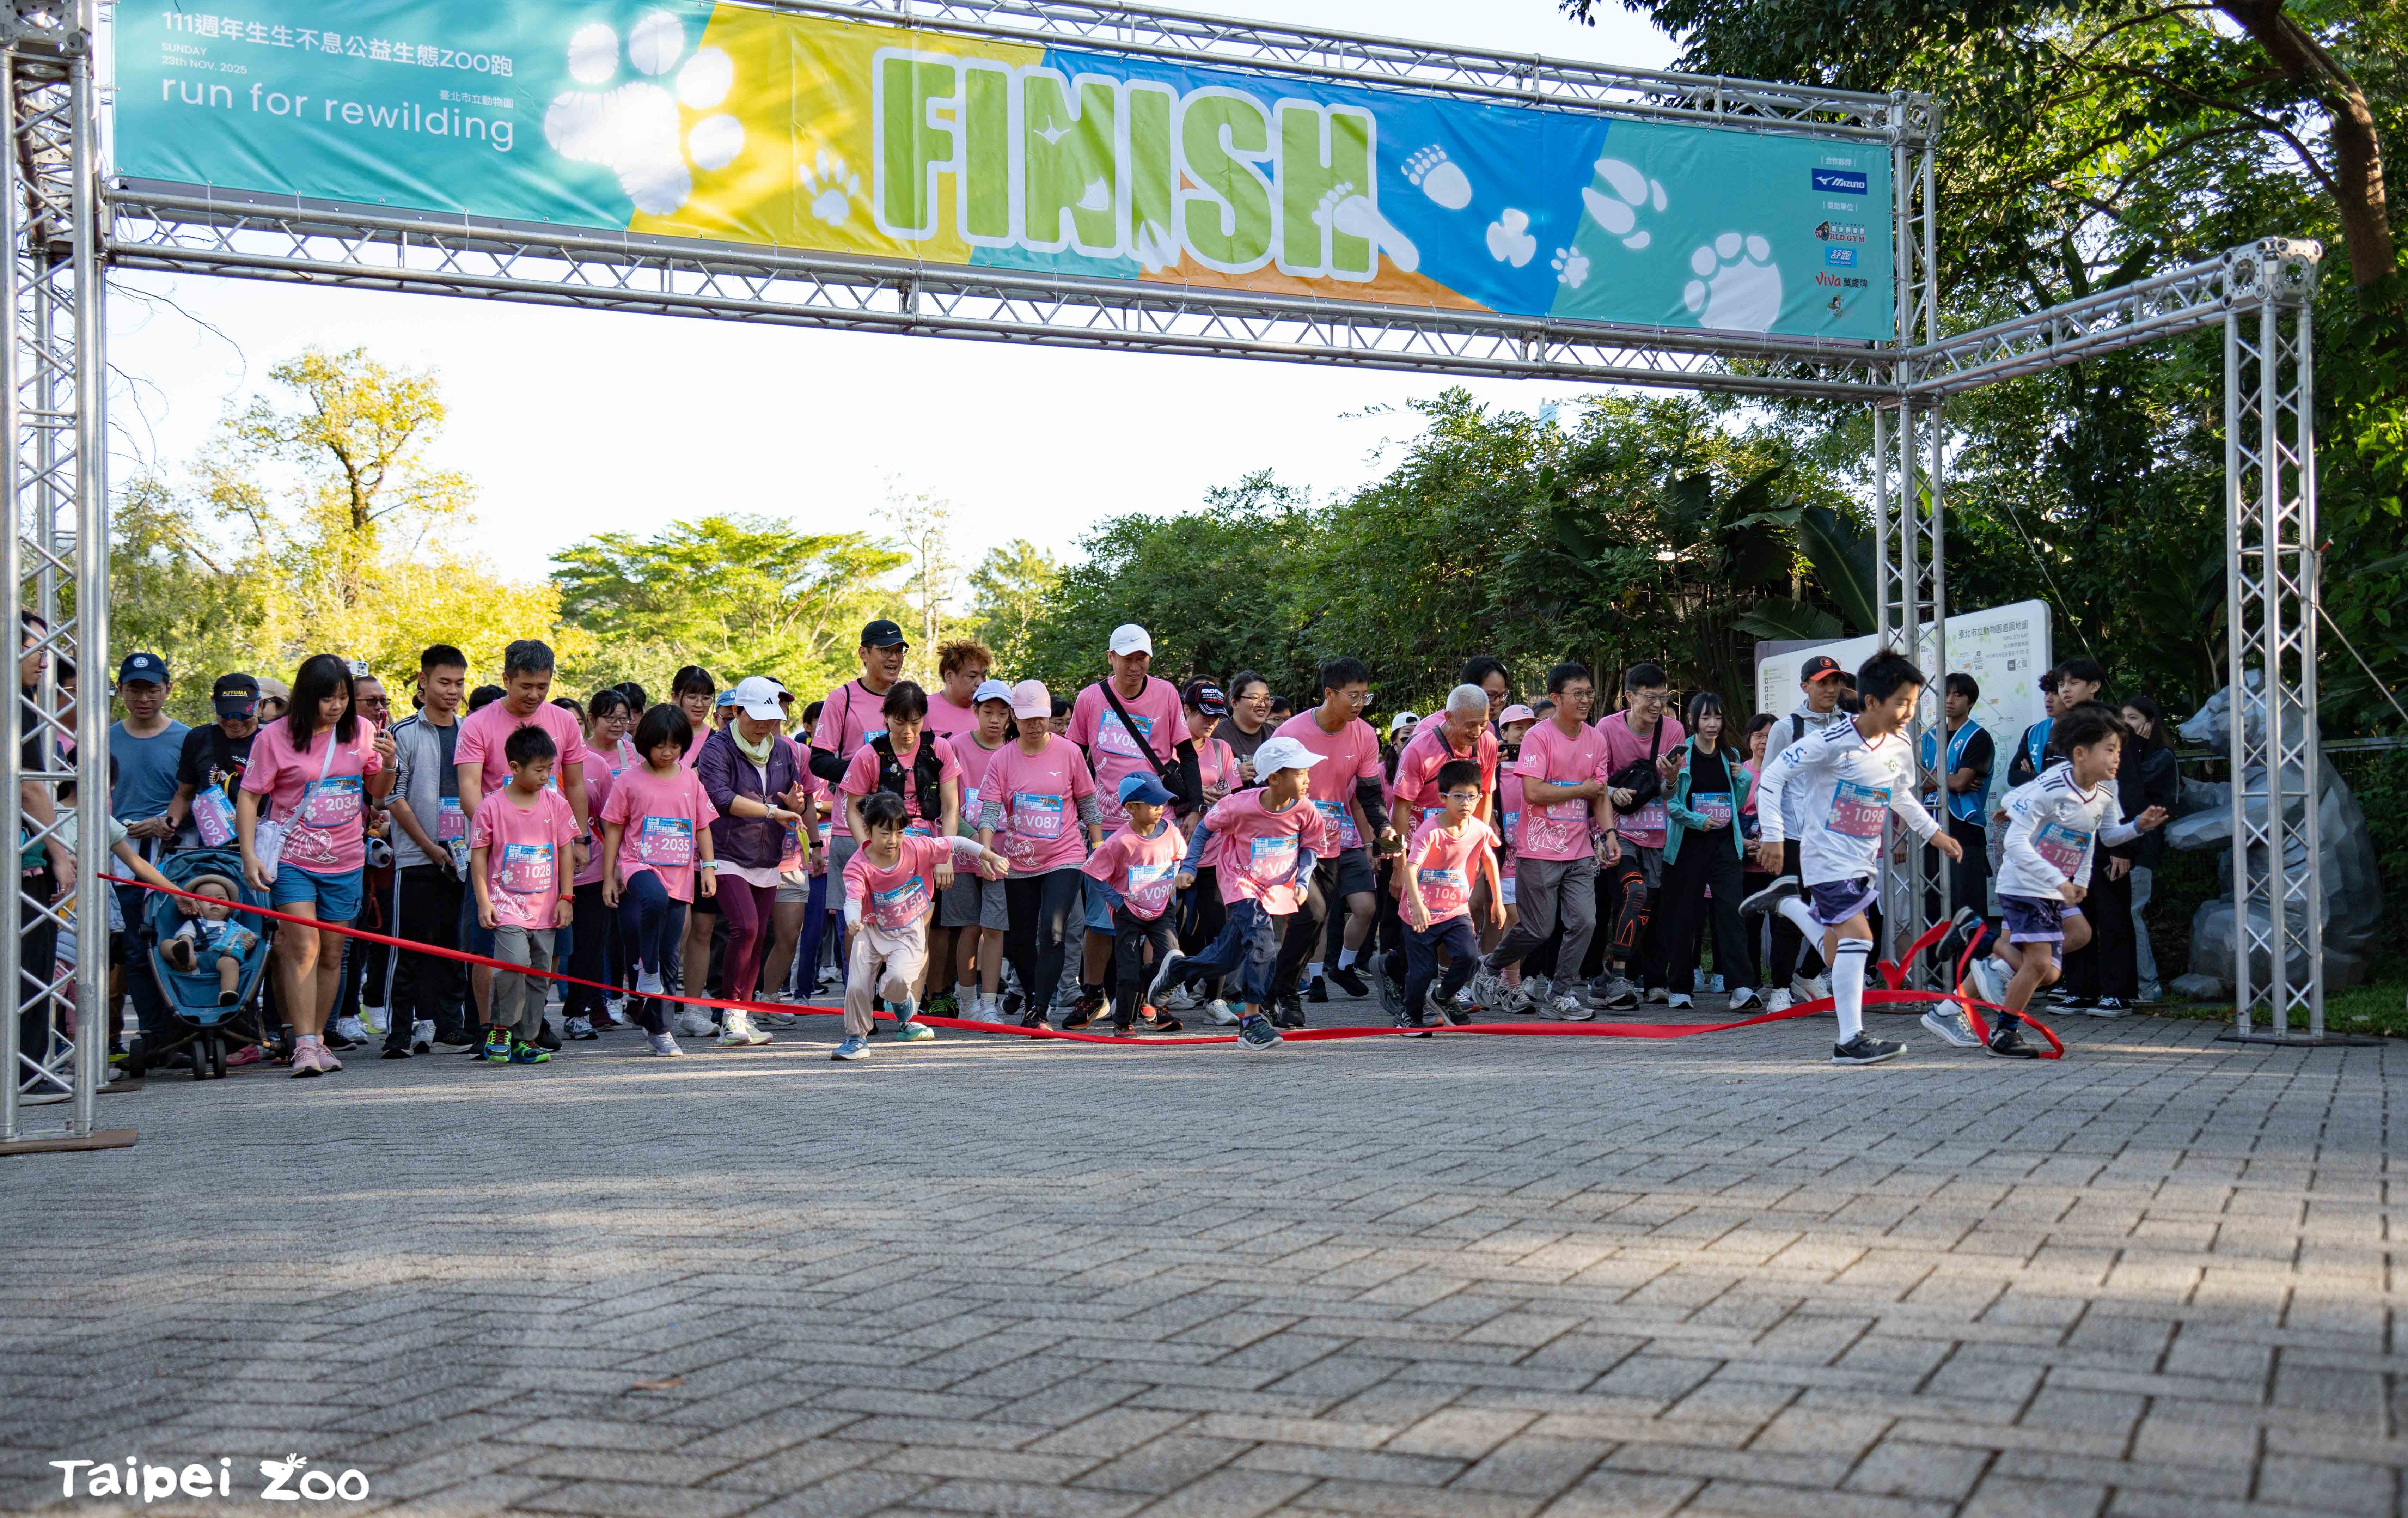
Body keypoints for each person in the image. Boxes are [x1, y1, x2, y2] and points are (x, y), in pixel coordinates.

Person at [1747, 650, 1961, 1066]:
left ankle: (1787, 904)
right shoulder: (1828, 741)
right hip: (1825, 858)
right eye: (1900, 702)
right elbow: (1771, 778)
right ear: (1869, 702)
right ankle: (1849, 1040)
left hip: (1863, 862)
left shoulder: (1899, 747)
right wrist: (1773, 836)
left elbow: (1900, 796)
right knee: (1859, 940)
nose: (1908, 712)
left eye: (1914, 704)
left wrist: (1933, 834)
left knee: (1835, 955)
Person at [237, 653, 395, 1077]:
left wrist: (391, 762)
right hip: (293, 859)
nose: (337, 706)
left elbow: (377, 791)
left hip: (346, 860)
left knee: (333, 953)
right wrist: (249, 855)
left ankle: (319, 1038)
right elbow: (250, 796)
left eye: (343, 697)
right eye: (327, 698)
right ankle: (303, 1044)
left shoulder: (362, 731)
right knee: (302, 947)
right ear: (306, 698)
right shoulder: (274, 737)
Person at [1980, 707, 2168, 1053]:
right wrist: (2060, 880)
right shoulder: (2050, 788)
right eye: (2109, 750)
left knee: (2061, 959)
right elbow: (2014, 843)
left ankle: (1978, 947)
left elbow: (2104, 835)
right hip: (2025, 882)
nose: (2117, 758)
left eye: (2119, 749)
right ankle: (2003, 1032)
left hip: (2055, 887)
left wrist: (2138, 826)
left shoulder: (2106, 788)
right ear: (2080, 754)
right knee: (2037, 964)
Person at [1149, 734, 1331, 1052]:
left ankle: (1177, 970)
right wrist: (1190, 867)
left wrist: (1303, 882)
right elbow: (1206, 826)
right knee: (1263, 944)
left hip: (1279, 888)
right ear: (1275, 778)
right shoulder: (1240, 805)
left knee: (1225, 959)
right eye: (1301, 774)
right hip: (1242, 883)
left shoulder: (1306, 810)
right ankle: (1251, 1022)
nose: (1308, 780)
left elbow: (1311, 850)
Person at [454, 641, 593, 1039]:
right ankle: (489, 1026)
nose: (535, 695)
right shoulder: (479, 724)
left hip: (548, 856)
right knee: (490, 946)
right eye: (526, 686)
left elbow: (577, 785)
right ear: (506, 680)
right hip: (498, 854)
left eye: (543, 687)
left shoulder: (564, 722)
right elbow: (469, 789)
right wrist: (494, 838)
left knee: (545, 945)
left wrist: (579, 838)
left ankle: (530, 1025)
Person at [1065, 624, 1192, 1024]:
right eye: (1126, 657)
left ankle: (1155, 1000)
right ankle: (1092, 995)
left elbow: (1186, 754)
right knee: (1102, 921)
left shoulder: (1166, 693)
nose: (1135, 665)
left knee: (1155, 916)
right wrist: (1079, 817)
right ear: (1111, 658)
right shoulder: (1090, 699)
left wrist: (1191, 808)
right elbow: (1073, 758)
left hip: (1156, 825)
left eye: (1142, 657)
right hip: (1107, 827)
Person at [1476, 666, 1613, 1020]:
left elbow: (1599, 795)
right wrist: (1579, 790)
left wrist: (1608, 834)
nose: (1585, 700)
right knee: (1538, 928)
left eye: (1588, 693)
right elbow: (1533, 791)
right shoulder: (1539, 737)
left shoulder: (1596, 739)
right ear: (1555, 698)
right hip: (1538, 849)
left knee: (1584, 921)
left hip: (1580, 849)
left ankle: (1561, 992)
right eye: (1577, 693)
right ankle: (1491, 965)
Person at [833, 791, 1011, 1061]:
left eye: (899, 832)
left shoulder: (917, 847)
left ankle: (903, 1007)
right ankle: (856, 1038)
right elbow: (853, 897)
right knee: (857, 986)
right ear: (868, 830)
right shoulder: (859, 864)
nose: (892, 841)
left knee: (897, 981)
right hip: (869, 929)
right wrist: (853, 919)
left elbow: (958, 842)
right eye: (884, 833)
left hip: (907, 930)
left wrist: (989, 856)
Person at [1269, 656, 1394, 1019]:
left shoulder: (1365, 734)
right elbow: (1269, 788)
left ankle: (1283, 990)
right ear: (1329, 694)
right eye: (1352, 697)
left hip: (1340, 839)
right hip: (1293, 839)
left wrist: (1382, 830)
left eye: (1364, 698)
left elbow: (1369, 794)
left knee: (1345, 912)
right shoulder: (1291, 732)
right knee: (1312, 917)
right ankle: (1286, 993)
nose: (1359, 705)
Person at [695, 676, 813, 1046]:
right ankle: (730, 1014)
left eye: (771, 718)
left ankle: (742, 1018)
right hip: (725, 853)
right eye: (758, 718)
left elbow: (793, 800)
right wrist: (771, 812)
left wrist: (793, 807)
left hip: (767, 854)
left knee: (760, 936)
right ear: (738, 712)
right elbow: (719, 797)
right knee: (744, 927)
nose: (765, 725)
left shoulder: (782, 750)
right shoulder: (717, 748)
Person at [978, 681, 1103, 1028]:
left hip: (1065, 856)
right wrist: (986, 850)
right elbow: (990, 812)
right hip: (1018, 862)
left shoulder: (1068, 753)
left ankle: (1040, 1009)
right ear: (1014, 718)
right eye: (1027, 718)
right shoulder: (1002, 759)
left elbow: (1088, 806)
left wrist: (1097, 848)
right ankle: (1033, 998)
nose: (1035, 725)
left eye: (1041, 718)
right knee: (1020, 940)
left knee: (1053, 931)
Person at [601, 703, 720, 1057]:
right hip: (638, 866)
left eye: (674, 745)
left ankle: (659, 1029)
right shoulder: (628, 781)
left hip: (680, 875)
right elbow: (613, 829)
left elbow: (702, 826)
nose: (667, 753)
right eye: (659, 746)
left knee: (671, 955)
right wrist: (609, 875)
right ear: (645, 744)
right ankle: (646, 970)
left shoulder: (690, 779)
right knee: (653, 902)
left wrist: (709, 868)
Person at [468, 725, 579, 1066]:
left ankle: (527, 1037)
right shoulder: (491, 807)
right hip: (507, 908)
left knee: (540, 971)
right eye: (539, 769)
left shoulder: (557, 805)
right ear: (515, 767)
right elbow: (480, 855)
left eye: (550, 769)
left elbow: (565, 851)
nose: (547, 776)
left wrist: (566, 897)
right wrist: (484, 900)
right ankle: (500, 1028)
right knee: (514, 964)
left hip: (545, 909)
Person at [381, 645, 472, 1056]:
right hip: (417, 859)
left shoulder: (470, 731)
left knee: (457, 946)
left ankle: (452, 1025)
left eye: (459, 683)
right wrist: (429, 847)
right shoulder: (404, 733)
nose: (452, 691)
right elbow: (393, 798)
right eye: (444, 682)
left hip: (465, 859)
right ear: (423, 681)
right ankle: (398, 1032)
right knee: (409, 948)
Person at [1754, 654, 1850, 1012]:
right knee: (1793, 914)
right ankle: (1779, 988)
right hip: (1795, 835)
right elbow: (1770, 783)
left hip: (1838, 836)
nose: (1829, 689)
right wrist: (1771, 835)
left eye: (1834, 682)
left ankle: (1808, 976)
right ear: (1805, 686)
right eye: (1822, 682)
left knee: (1843, 913)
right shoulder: (1786, 727)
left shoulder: (1849, 725)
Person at [106, 651, 189, 1056]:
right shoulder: (103, 739)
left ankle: (184, 1030)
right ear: (120, 690)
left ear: (168, 690)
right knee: (135, 951)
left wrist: (165, 823)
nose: (143, 698)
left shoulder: (186, 738)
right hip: (119, 860)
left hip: (172, 857)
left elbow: (192, 795)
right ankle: (155, 1038)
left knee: (176, 942)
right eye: (134, 689)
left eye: (152, 689)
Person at [1589, 662, 1685, 1009]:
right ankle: (1617, 979)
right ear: (1629, 696)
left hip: (1657, 835)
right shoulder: (1606, 728)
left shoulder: (1673, 730)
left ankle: (1605, 978)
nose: (1657, 706)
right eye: (1650, 698)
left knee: (1645, 910)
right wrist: (1612, 791)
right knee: (1634, 893)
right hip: (1617, 832)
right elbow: (1594, 779)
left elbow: (1669, 793)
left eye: (1663, 698)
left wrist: (1671, 778)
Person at [1656, 693, 1756, 1011]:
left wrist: (1744, 780)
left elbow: (1738, 804)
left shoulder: (1731, 754)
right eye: (1705, 718)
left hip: (1727, 847)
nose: (1712, 724)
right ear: (1693, 720)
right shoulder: (1680, 755)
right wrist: (1700, 820)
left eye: (1717, 718)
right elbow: (1672, 806)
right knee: (1685, 917)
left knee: (1732, 916)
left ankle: (1740, 987)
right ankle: (1680, 987)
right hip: (1688, 847)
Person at [1392, 758, 1504, 1031]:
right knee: (1422, 971)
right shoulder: (1430, 831)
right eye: (1458, 796)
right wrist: (1417, 905)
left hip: (1455, 909)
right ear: (1443, 797)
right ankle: (1410, 1015)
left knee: (1468, 956)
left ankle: (1444, 996)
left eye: (1472, 796)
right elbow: (1411, 867)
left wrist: (1498, 901)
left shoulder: (1479, 829)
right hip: (1420, 911)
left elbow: (1489, 860)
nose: (1466, 803)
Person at [1081, 774, 1189, 1033]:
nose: (1160, 808)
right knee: (1127, 969)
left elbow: (1179, 856)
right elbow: (1093, 872)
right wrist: (1117, 903)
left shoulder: (1171, 831)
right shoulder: (1120, 841)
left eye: (1162, 802)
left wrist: (1172, 881)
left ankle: (1149, 999)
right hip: (1128, 911)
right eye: (1153, 804)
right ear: (1131, 808)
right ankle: (1123, 1021)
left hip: (1162, 909)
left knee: (1171, 961)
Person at [561, 687, 637, 1040]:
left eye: (624, 718)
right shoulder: (535, 766)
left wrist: (616, 867)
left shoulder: (595, 766)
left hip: (591, 871)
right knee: (548, 948)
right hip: (544, 873)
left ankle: (579, 1013)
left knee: (590, 946)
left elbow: (612, 822)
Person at [937, 678, 1015, 1021]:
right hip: (962, 850)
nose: (995, 719)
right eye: (988, 712)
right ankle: (967, 1000)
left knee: (994, 927)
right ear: (976, 712)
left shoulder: (1015, 750)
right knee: (967, 928)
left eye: (1002, 713)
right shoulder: (954, 747)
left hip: (1003, 855)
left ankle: (989, 1002)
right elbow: (947, 806)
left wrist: (993, 854)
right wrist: (977, 848)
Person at [920, 639, 991, 1008]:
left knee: (968, 922)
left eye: (983, 676)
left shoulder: (986, 712)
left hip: (973, 836)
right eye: (970, 676)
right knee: (936, 923)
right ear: (949, 676)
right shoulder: (926, 711)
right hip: (929, 831)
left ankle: (954, 992)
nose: (979, 683)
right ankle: (932, 993)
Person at [2115, 695, 2179, 1005]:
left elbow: (2135, 790)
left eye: (2133, 718)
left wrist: (2135, 750)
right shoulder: (2127, 754)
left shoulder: (2161, 756)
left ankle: (2148, 985)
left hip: (2144, 847)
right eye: (2123, 718)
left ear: (2150, 723)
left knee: (2134, 912)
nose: (2126, 723)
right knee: (2122, 914)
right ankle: (2128, 984)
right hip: (2123, 842)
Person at [1919, 672, 1994, 928]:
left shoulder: (1979, 737)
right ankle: (1937, 969)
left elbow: (1963, 783)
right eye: (1946, 694)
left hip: (1965, 832)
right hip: (1931, 829)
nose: (1950, 700)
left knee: (1968, 909)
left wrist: (1933, 778)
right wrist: (1948, 779)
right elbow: (1914, 782)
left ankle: (1975, 967)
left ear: (1971, 702)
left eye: (1958, 695)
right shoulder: (1928, 737)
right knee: (1933, 909)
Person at [165, 674, 261, 851]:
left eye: (242, 714)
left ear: (259, 706)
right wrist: (172, 821)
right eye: (226, 713)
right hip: (214, 845)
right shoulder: (198, 738)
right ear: (213, 704)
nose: (234, 721)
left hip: (262, 843)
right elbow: (184, 795)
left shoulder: (273, 739)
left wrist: (261, 823)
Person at [2008, 659, 2105, 790]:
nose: (2049, 699)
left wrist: (2037, 779)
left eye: (2054, 693)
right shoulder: (2035, 732)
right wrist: (2043, 780)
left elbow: (2068, 781)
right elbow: (2013, 776)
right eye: (2046, 694)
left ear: (2094, 686)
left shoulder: (2106, 727)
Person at [161, 878, 258, 1006]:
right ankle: (178, 953)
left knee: (231, 963)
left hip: (220, 959)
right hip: (195, 958)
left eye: (221, 899)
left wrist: (248, 946)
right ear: (195, 905)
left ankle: (227, 993)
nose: (214, 902)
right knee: (167, 943)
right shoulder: (194, 923)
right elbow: (187, 937)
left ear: (230, 908)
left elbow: (242, 944)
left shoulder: (235, 927)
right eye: (206, 899)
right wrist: (189, 955)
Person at [1216, 671, 1275, 787]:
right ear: (1234, 702)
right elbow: (1203, 782)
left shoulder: (1275, 734)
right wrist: (1233, 777)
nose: (1263, 705)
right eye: (1255, 698)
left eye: (1267, 699)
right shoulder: (1217, 735)